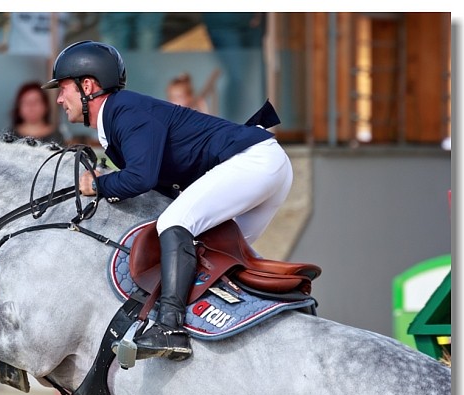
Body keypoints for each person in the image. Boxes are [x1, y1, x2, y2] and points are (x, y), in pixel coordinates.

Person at [43, 40, 292, 361]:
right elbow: (159, 186)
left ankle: (170, 328)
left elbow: (141, 179)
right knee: (215, 253)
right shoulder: (119, 116)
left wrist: (97, 185)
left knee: (175, 223)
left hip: (253, 161)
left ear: (87, 85)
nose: (60, 98)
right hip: (268, 165)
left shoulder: (123, 111)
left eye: (63, 88)